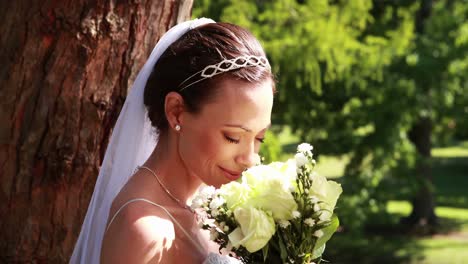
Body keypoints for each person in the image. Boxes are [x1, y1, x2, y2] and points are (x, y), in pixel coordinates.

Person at [70, 18, 275, 263]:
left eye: (259, 137)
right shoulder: (143, 232)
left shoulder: (218, 207)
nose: (249, 159)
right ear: (176, 111)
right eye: (233, 137)